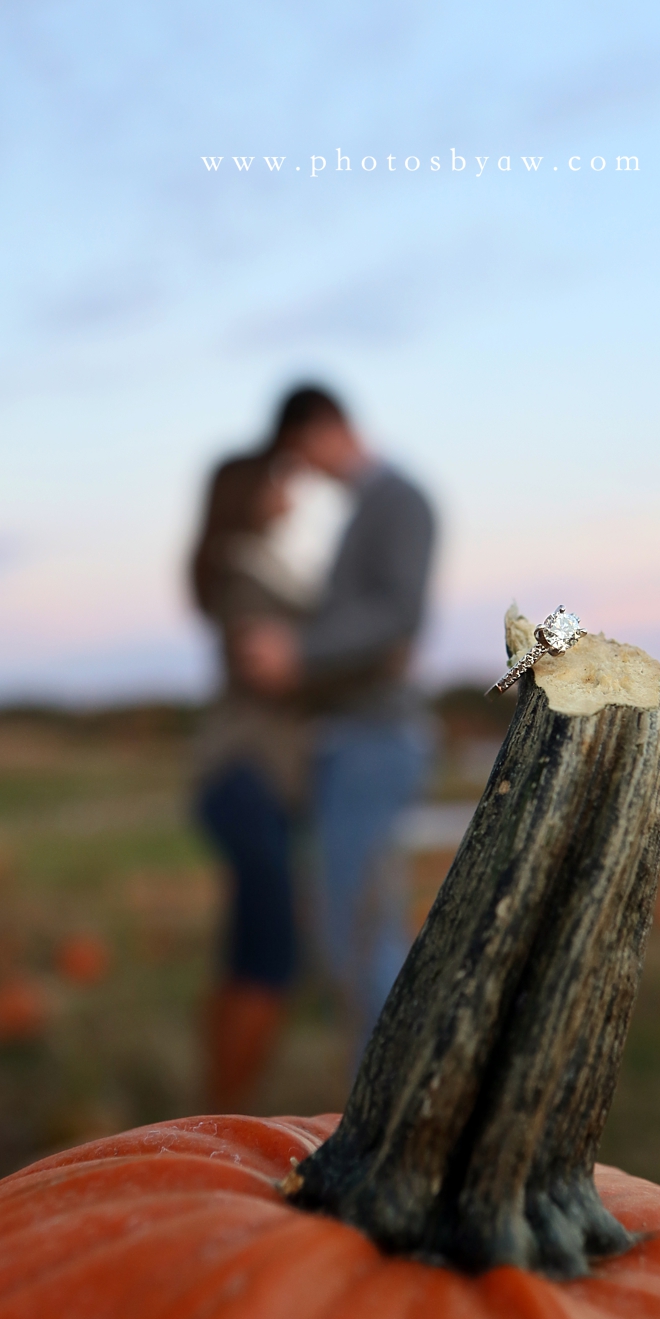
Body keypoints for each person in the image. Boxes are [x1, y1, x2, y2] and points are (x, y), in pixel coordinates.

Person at [240, 385, 436, 1055]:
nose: (307, 472)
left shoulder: (399, 499)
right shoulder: (369, 507)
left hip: (373, 739)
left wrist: (300, 651)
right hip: (352, 739)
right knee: (347, 929)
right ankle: (385, 1114)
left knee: (359, 933)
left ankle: (392, 1128)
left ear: (326, 429)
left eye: (301, 454)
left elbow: (397, 617)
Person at [190, 443, 314, 1111]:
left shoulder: (253, 566)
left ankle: (216, 1108)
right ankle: (227, 1113)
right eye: (277, 478)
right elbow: (270, 667)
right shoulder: (245, 571)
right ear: (250, 493)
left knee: (248, 950)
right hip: (245, 777)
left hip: (249, 781)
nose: (289, 487)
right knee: (271, 953)